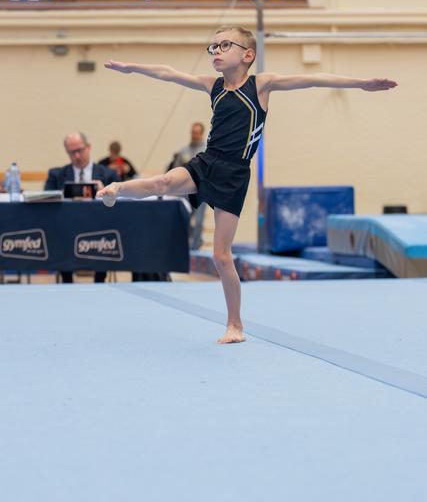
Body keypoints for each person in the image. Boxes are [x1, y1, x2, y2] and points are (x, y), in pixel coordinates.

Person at [97, 26, 398, 344]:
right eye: (212, 46)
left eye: (224, 45)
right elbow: (168, 73)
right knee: (163, 181)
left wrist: (362, 83)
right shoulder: (212, 86)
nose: (215, 51)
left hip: (234, 175)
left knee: (221, 257)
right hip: (208, 161)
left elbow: (314, 79)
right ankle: (117, 189)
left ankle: (235, 325)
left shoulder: (262, 85)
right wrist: (132, 68)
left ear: (247, 54)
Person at [45, 131, 119, 283]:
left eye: (79, 150)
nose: (77, 156)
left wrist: (106, 190)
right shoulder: (57, 175)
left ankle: (100, 281)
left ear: (89, 147)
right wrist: (62, 195)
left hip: (100, 227)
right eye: (72, 152)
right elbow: (47, 198)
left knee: (106, 234)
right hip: (66, 228)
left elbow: (122, 202)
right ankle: (67, 281)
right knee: (58, 236)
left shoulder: (108, 175)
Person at [168, 122, 207, 250]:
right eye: (193, 132)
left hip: (201, 191)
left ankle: (196, 247)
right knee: (185, 218)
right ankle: (187, 245)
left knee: (199, 221)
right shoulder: (183, 151)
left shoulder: (207, 150)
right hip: (185, 192)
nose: (195, 135)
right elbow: (176, 170)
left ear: (201, 134)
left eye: (197, 133)